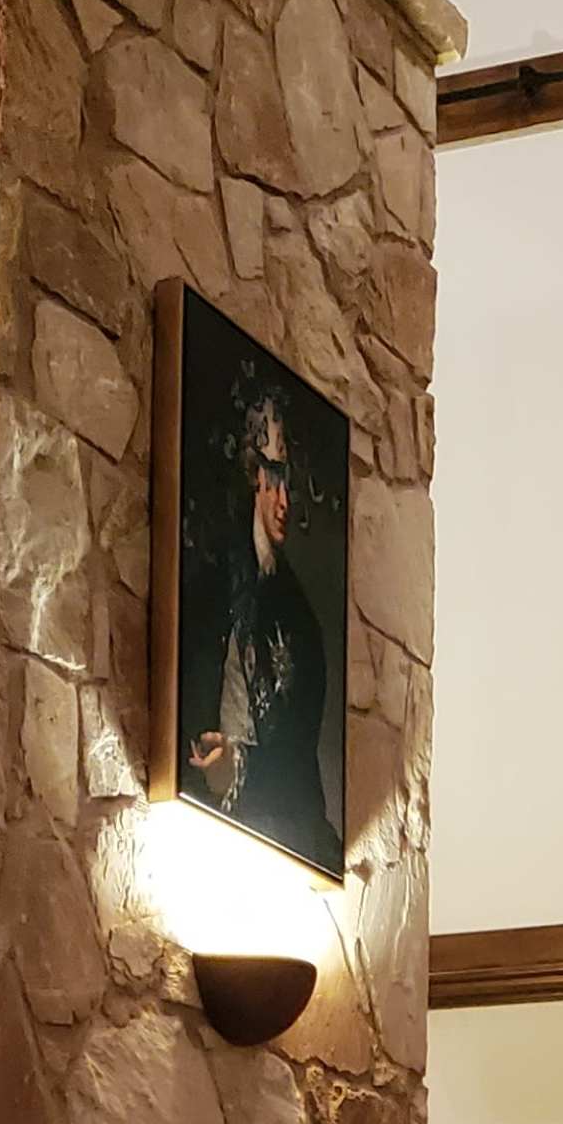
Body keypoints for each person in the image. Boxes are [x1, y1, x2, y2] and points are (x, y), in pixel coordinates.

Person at [181, 363, 341, 871]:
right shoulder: (207, 586)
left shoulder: (300, 621)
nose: (283, 499)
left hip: (280, 830)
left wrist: (240, 766)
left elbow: (298, 761)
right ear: (252, 475)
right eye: (272, 476)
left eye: (286, 477)